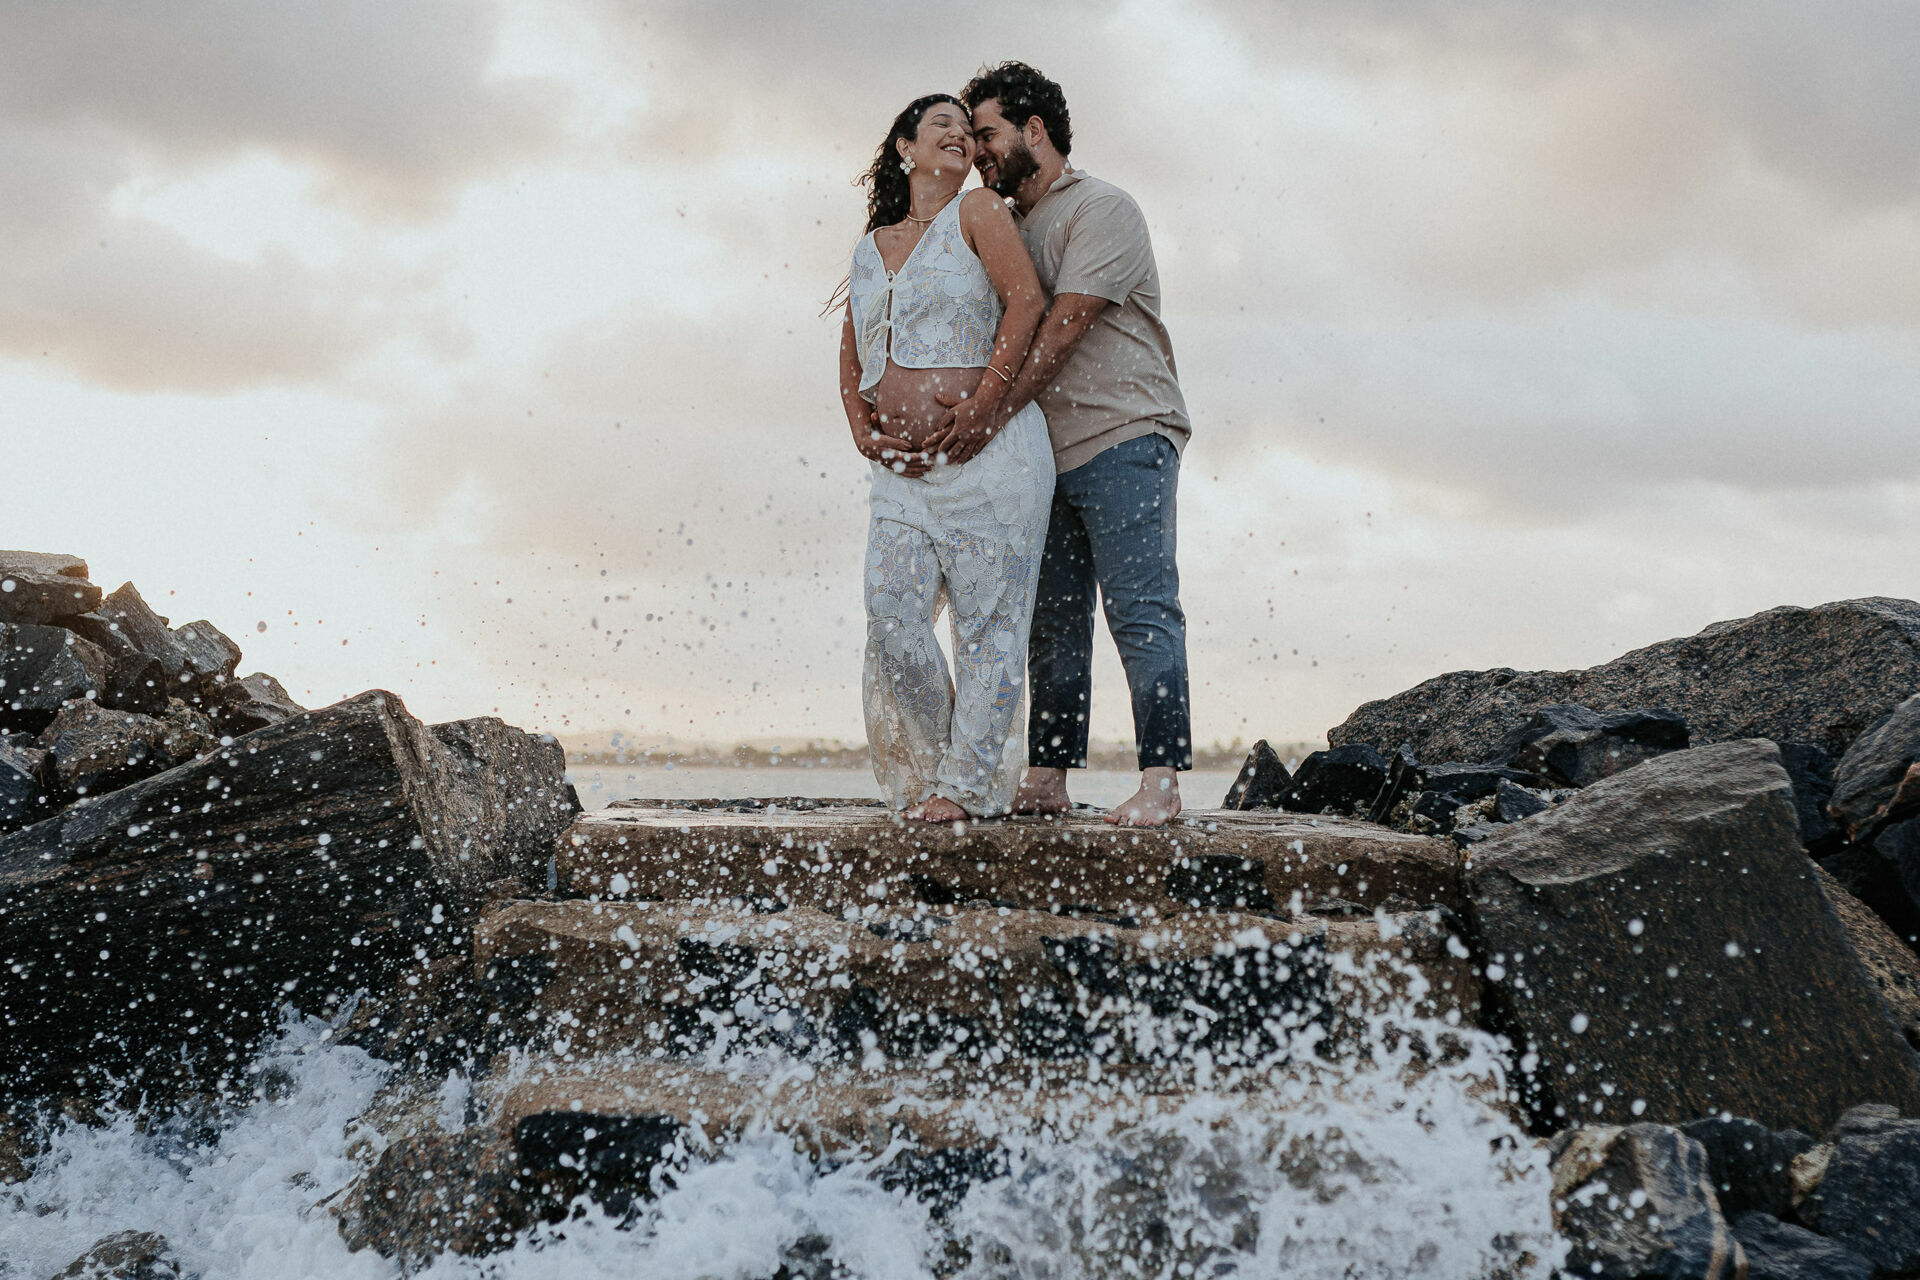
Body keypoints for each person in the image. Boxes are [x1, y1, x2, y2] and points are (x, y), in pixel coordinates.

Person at [947, 62, 1195, 827]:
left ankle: (1161, 783)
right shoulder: (999, 227)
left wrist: (990, 412)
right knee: (1052, 620)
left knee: (1141, 608)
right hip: (1040, 457)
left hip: (1126, 435)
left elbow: (1063, 326)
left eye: (986, 133)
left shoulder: (1103, 208)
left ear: (1034, 130)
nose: (978, 151)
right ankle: (1049, 777)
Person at [839, 94, 1054, 822]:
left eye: (968, 130)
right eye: (942, 127)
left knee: (988, 625)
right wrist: (859, 429)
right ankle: (932, 772)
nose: (960, 136)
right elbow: (851, 349)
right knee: (892, 615)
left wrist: (988, 400)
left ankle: (963, 786)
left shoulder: (980, 213)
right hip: (898, 473)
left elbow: (1025, 300)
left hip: (991, 460)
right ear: (905, 147)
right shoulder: (872, 245)